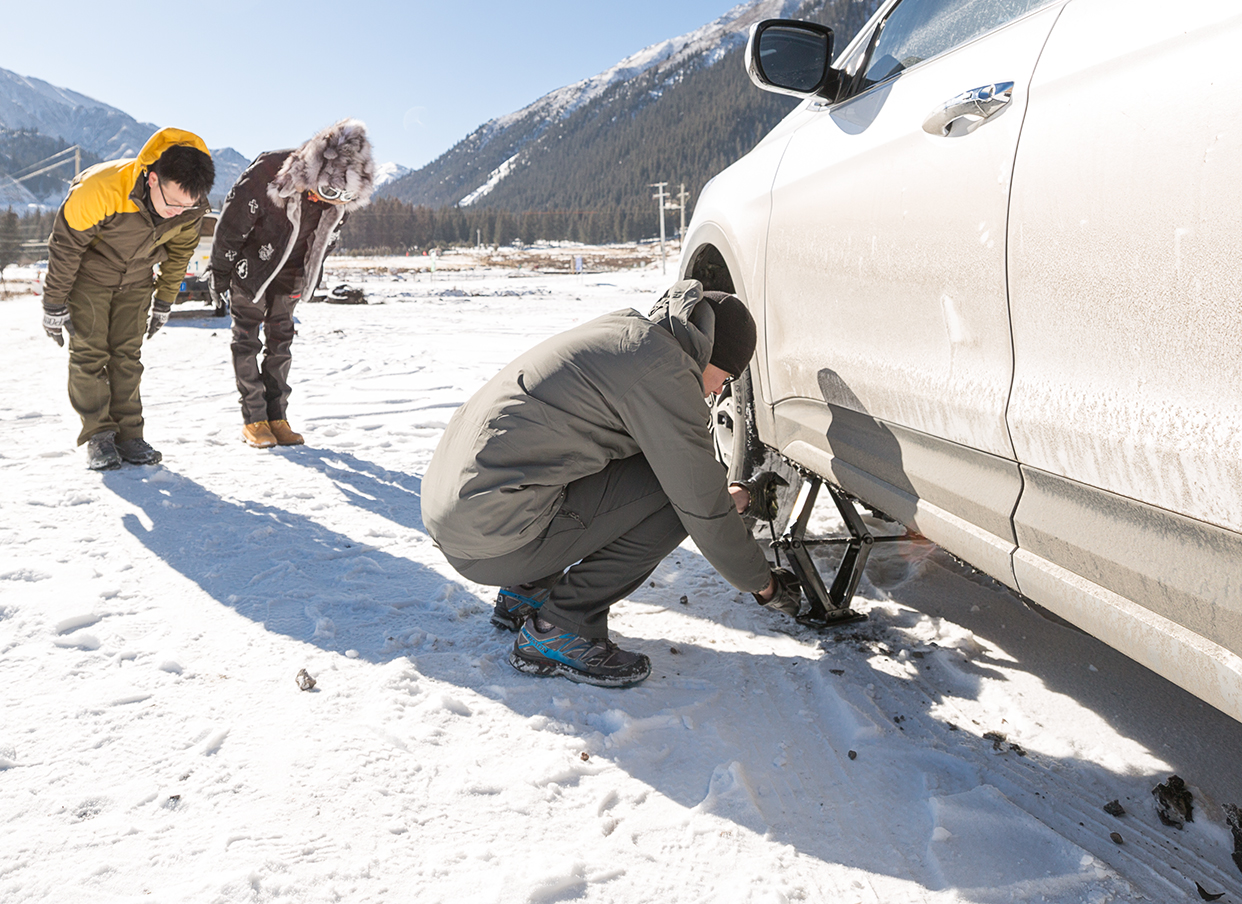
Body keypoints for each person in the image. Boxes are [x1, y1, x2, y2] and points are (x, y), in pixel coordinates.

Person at [421, 279, 804, 687]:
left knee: (644, 464)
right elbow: (699, 503)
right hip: (494, 539)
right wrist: (764, 584)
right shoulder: (666, 373)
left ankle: (528, 589)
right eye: (725, 376)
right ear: (712, 352)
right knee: (676, 496)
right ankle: (561, 627)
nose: (720, 390)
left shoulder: (628, 335)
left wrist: (735, 499)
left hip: (462, 513)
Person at [41, 128, 215, 470]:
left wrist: (164, 301)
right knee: (90, 353)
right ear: (152, 179)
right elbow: (65, 248)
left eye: (187, 205)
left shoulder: (191, 209)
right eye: (173, 203)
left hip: (137, 281)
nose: (179, 212)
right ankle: (98, 435)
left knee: (127, 357)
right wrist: (53, 303)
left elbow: (179, 255)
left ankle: (130, 435)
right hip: (89, 279)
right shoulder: (101, 189)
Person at [212, 118, 376, 448]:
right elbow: (231, 222)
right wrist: (219, 271)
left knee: (282, 342)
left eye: (343, 196)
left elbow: (326, 239)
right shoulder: (272, 168)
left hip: (292, 272)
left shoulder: (341, 193)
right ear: (319, 166)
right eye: (329, 190)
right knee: (246, 339)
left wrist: (310, 274)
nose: (332, 200)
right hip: (252, 267)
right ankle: (254, 418)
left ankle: (277, 416)